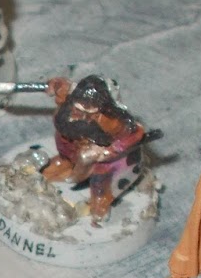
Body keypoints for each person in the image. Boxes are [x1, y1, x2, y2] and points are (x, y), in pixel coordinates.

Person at [40, 74, 149, 222]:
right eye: (77, 107)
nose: (78, 114)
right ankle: (64, 166)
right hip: (71, 149)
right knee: (60, 159)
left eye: (87, 110)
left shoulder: (113, 121)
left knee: (100, 182)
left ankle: (100, 202)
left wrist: (108, 151)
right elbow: (59, 87)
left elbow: (135, 133)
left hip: (104, 160)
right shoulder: (69, 103)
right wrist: (56, 85)